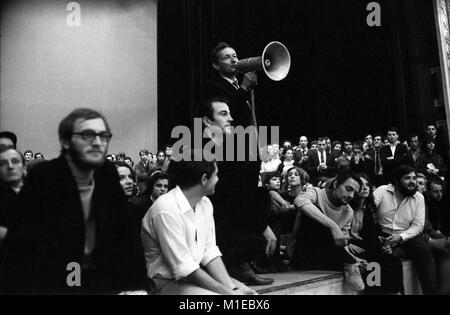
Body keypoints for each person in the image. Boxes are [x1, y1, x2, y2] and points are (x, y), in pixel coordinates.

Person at [0, 108, 148, 294]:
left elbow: (127, 234)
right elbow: (19, 245)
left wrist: (137, 286)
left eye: (104, 136)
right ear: (65, 141)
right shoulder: (43, 177)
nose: (97, 142)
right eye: (87, 135)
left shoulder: (107, 172)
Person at [141, 150, 256, 295]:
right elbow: (184, 268)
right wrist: (229, 294)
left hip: (192, 276)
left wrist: (232, 288)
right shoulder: (165, 209)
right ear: (203, 179)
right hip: (162, 283)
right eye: (216, 175)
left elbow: (210, 252)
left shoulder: (205, 203)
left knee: (250, 297)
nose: (218, 180)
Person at [199, 97, 274, 285]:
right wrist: (261, 225)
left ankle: (239, 261)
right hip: (212, 216)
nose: (231, 118)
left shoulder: (230, 147)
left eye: (230, 113)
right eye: (224, 114)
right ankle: (235, 263)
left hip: (231, 211)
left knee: (264, 195)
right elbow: (228, 194)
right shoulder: (201, 150)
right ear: (207, 121)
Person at [292, 171, 366, 292]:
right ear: (336, 184)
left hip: (326, 256)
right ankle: (349, 263)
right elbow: (300, 201)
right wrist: (333, 226)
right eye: (348, 189)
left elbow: (343, 241)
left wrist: (354, 258)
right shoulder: (317, 193)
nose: (351, 195)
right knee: (314, 214)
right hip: (303, 253)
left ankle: (350, 263)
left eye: (354, 193)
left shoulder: (348, 211)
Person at [374, 165, 438, 294]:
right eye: (407, 178)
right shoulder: (382, 191)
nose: (412, 181)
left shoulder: (419, 198)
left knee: (423, 251)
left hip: (406, 236)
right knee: (389, 257)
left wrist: (400, 237)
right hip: (382, 234)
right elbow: (370, 211)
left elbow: (418, 226)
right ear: (397, 181)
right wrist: (376, 235)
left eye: (414, 178)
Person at [349, 173, 404, 294]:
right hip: (351, 245)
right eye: (361, 185)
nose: (365, 187)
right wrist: (347, 244)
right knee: (374, 261)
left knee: (392, 259)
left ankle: (396, 292)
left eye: (367, 185)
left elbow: (371, 234)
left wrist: (386, 245)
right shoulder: (346, 206)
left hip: (363, 244)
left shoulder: (369, 209)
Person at [0, 148, 26, 253]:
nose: (10, 166)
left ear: (24, 168)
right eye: (3, 163)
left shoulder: (40, 192)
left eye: (15, 161)